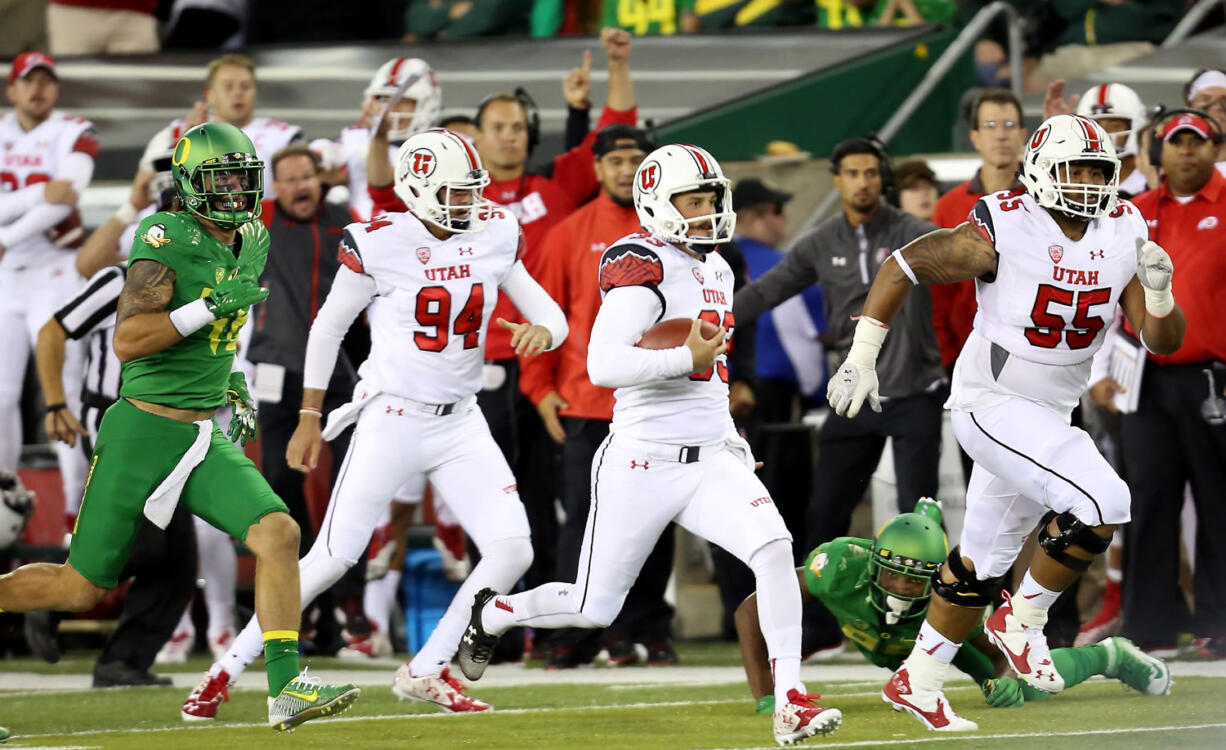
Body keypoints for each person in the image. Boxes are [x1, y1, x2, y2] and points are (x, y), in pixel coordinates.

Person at [455, 143, 843, 746]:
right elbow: (603, 364)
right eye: (693, 201)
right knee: (595, 606)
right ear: (658, 204)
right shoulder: (641, 263)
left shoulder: (716, 265)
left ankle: (788, 699)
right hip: (643, 458)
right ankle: (496, 612)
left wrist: (731, 441)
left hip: (709, 452)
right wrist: (680, 357)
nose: (707, 211)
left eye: (712, 198)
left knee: (773, 549)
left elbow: (710, 373)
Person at [183, 128, 568, 719]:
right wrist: (310, 415)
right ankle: (223, 672)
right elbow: (328, 328)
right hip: (392, 415)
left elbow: (549, 314)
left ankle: (427, 668)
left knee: (513, 548)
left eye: (470, 191)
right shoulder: (381, 241)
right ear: (416, 189)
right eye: (453, 192)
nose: (468, 203)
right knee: (333, 556)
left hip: (461, 421)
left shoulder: (494, 230)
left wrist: (546, 332)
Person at [825, 113, 1185, 730]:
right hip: (990, 401)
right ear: (1043, 171)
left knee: (981, 562)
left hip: (1051, 407)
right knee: (1105, 499)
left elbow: (1164, 342)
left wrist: (1159, 294)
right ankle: (1022, 622)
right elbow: (901, 265)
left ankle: (920, 677)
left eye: (1100, 170)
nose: (1090, 182)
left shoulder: (1125, 226)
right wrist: (863, 355)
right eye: (1076, 169)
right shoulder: (1005, 223)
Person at [1, 122, 360, 731]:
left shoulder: (249, 236)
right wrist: (208, 306)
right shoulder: (164, 234)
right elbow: (130, 341)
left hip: (200, 432)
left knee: (277, 533)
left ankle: (286, 687)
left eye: (243, 180)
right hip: (143, 431)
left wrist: (231, 381)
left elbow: (218, 338)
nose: (234, 193)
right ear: (191, 183)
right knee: (80, 589)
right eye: (221, 180)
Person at [736, 499, 1172, 716]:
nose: (904, 586)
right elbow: (752, 611)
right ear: (873, 563)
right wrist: (767, 694)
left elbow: (1004, 656)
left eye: (917, 577)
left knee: (1029, 686)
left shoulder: (951, 601)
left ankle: (1108, 655)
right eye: (894, 573)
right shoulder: (837, 566)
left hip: (946, 646)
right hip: (894, 649)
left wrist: (1001, 681)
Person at [518, 123, 679, 668]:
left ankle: (648, 632)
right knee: (583, 521)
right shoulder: (569, 232)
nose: (626, 169)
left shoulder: (671, 230)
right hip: (586, 405)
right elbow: (542, 314)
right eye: (616, 160)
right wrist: (539, 388)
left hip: (655, 399)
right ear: (598, 167)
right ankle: (572, 637)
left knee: (656, 519)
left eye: (636, 159)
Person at [734, 138, 944, 552]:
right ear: (837, 180)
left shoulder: (911, 232)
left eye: (870, 173)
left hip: (915, 392)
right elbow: (764, 294)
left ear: (882, 178)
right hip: (852, 395)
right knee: (825, 513)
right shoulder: (820, 242)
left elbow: (963, 255)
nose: (862, 182)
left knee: (918, 524)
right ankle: (816, 619)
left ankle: (919, 618)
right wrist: (707, 324)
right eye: (852, 174)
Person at [32, 187, 197, 688]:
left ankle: (122, 661)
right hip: (116, 419)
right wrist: (57, 403)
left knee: (174, 557)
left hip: (172, 427)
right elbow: (54, 332)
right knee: (153, 546)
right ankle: (56, 594)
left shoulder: (207, 283)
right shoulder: (120, 279)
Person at [1123, 112, 1226, 658]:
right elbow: (1113, 294)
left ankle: (1219, 624)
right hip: (1144, 379)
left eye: (1198, 142)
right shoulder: (1134, 213)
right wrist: (1104, 372)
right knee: (1148, 499)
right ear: (1155, 153)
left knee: (1219, 502)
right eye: (1175, 142)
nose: (1186, 152)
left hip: (1214, 378)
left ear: (1216, 149)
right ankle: (1149, 628)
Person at [0, 51, 96, 538]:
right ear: (11, 88)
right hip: (8, 276)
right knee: (1, 395)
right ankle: (6, 501)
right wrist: (39, 193)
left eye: (46, 81)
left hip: (56, 270)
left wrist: (6, 234)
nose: (38, 89)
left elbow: (70, 198)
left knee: (65, 388)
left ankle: (75, 508)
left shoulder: (74, 129)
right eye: (27, 81)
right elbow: (53, 197)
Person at [930, 88, 1027, 376]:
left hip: (1040, 357)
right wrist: (948, 356)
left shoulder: (1045, 200)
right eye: (990, 126)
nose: (1000, 135)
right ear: (974, 138)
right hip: (971, 359)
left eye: (1009, 125)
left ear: (1023, 134)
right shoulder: (949, 206)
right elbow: (938, 291)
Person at [142, 54, 305, 199]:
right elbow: (149, 188)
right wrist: (190, 143)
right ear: (210, 95)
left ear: (255, 93)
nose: (237, 93)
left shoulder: (282, 135)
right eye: (228, 86)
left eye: (246, 87)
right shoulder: (178, 132)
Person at [312, 57, 442, 222]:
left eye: (402, 101)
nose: (390, 108)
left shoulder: (440, 144)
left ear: (427, 105)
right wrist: (321, 158)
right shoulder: (355, 137)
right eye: (383, 99)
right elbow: (326, 161)